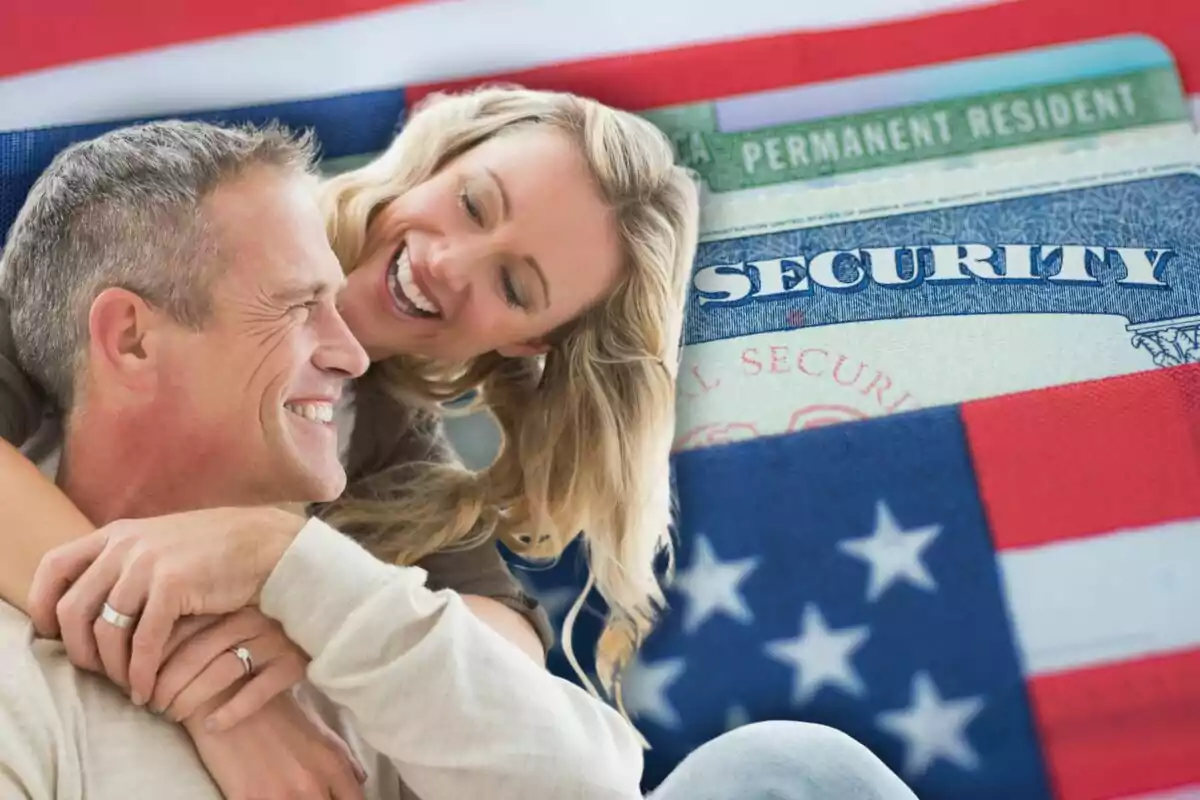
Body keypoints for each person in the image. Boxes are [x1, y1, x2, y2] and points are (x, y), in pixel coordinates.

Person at [0, 111, 917, 798]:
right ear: (431, 160)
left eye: (514, 284)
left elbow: (525, 713)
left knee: (794, 768)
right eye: (473, 204)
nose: (448, 262)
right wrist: (202, 678)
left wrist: (292, 577)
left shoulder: (410, 479)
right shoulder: (156, 236)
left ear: (529, 344)